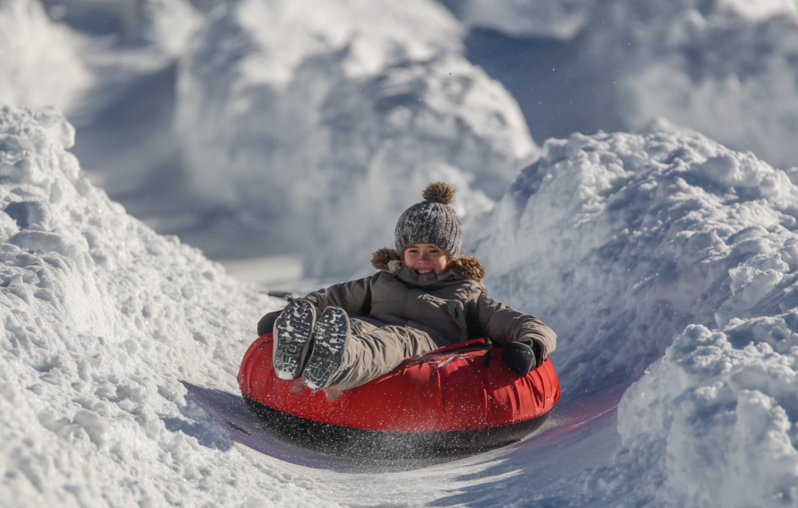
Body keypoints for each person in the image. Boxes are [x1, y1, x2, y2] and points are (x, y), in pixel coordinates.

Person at [256, 182, 557, 392]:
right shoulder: (384, 280)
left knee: (389, 341)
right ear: (401, 253)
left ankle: (340, 362)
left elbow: (521, 322)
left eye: (433, 252)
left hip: (422, 341)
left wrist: (531, 345)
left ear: (450, 256)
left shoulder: (466, 294)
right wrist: (294, 312)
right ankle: (301, 350)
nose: (422, 259)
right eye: (414, 251)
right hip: (368, 325)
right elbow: (336, 296)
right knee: (350, 325)